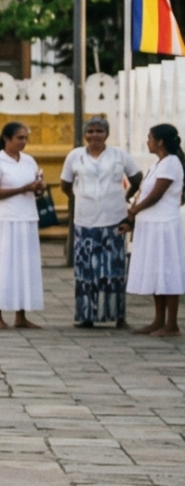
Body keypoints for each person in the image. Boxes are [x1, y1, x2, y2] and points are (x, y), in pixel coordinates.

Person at [60, 116, 141, 328]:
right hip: (85, 220)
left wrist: (124, 197)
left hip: (113, 218)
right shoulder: (75, 156)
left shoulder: (119, 155)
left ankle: (118, 315)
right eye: (90, 131)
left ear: (107, 134)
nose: (94, 135)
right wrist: (79, 197)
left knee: (113, 269)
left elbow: (136, 178)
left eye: (99, 131)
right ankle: (86, 315)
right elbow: (65, 184)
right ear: (85, 134)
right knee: (86, 269)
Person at [0, 120, 46, 329]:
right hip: (4, 220)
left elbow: (35, 191)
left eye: (25, 138)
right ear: (6, 139)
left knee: (24, 267)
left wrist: (38, 188)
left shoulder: (29, 161)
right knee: (2, 266)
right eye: (19, 138)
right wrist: (22, 188)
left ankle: (21, 315)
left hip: (26, 218)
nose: (23, 142)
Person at [125, 122, 185, 337]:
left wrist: (135, 210)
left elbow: (156, 194)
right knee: (156, 271)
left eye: (150, 138)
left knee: (167, 271)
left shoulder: (171, 163)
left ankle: (172, 324)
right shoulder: (159, 164)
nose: (147, 141)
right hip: (151, 224)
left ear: (160, 141)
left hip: (164, 225)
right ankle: (158, 320)